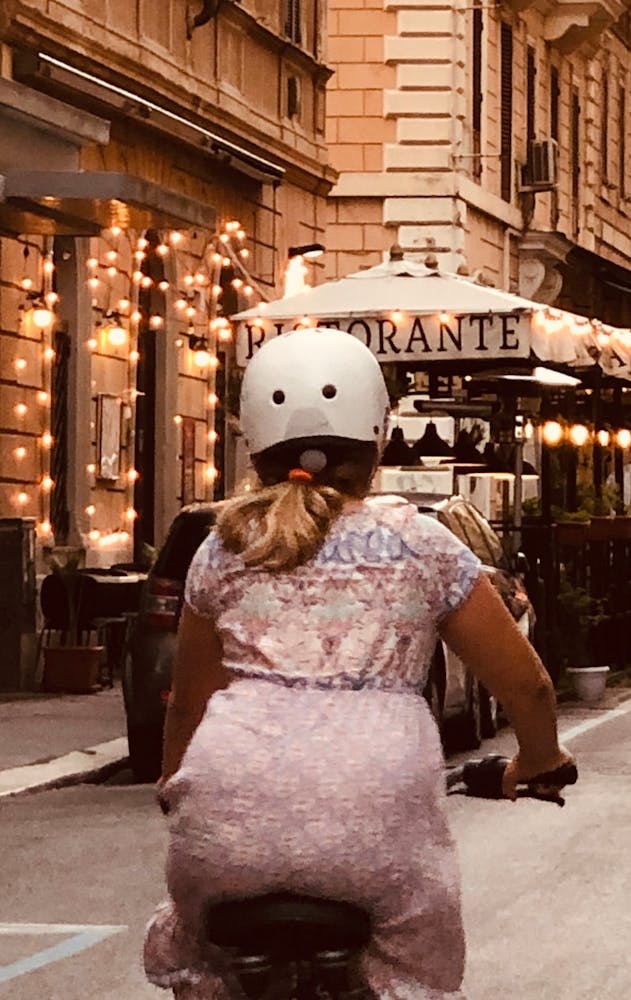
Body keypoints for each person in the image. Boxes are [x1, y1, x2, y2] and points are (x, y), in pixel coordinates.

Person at [143, 327, 575, 1000]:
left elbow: (190, 703)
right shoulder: (423, 544)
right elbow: (529, 687)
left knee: (206, 964)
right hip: (380, 834)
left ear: (254, 440)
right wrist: (539, 762)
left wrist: (177, 783)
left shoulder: (221, 548)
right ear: (378, 438)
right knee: (418, 968)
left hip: (226, 836)